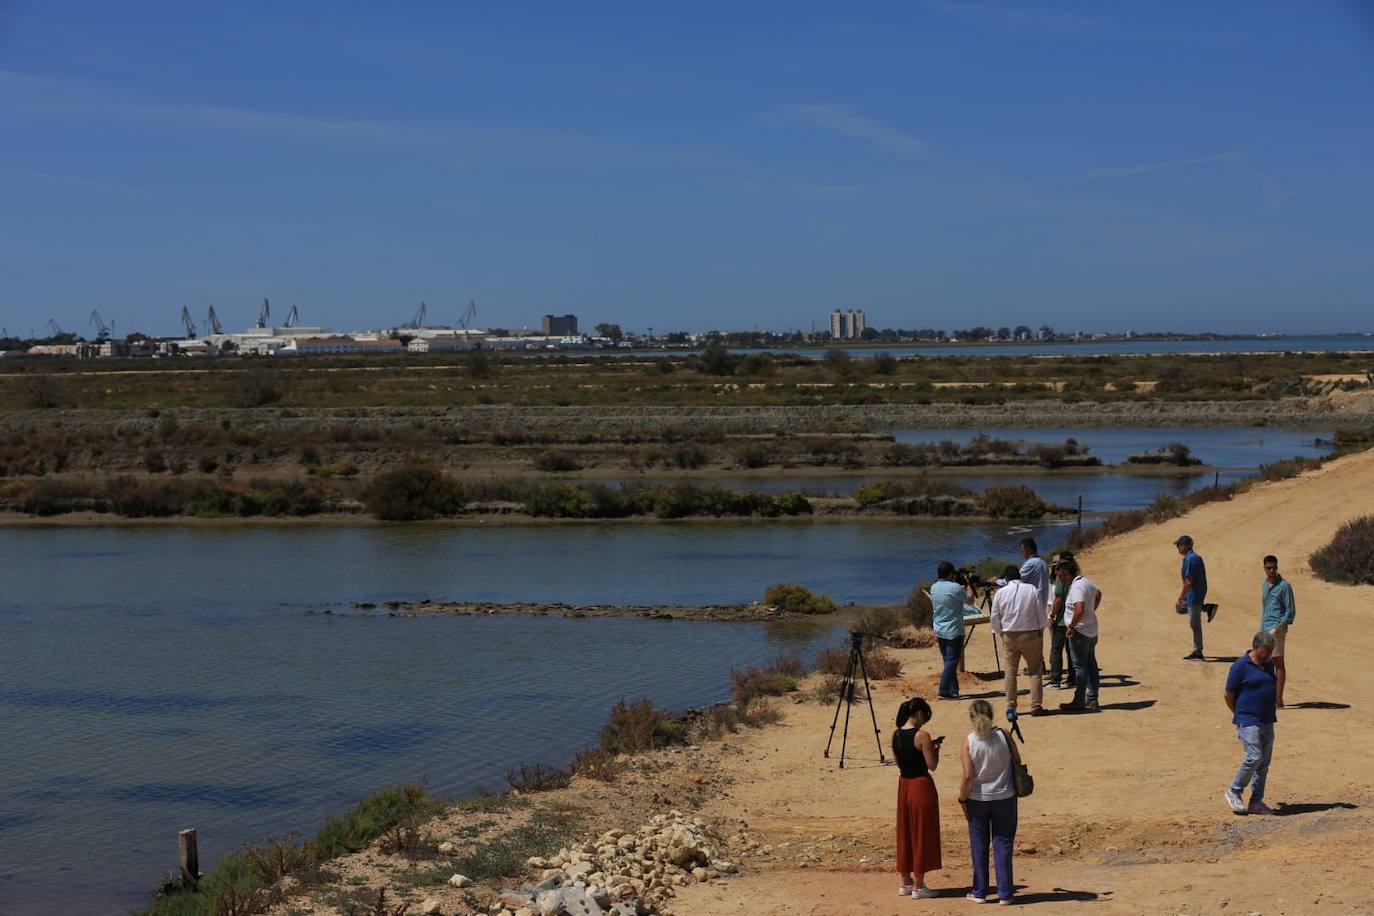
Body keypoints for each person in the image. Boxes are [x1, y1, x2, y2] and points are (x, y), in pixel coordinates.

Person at [959, 699, 1019, 905]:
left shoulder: (968, 741)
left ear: (971, 717)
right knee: (1003, 844)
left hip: (978, 799)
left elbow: (968, 776)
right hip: (1005, 797)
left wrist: (962, 799)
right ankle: (1005, 893)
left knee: (979, 845)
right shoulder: (1003, 735)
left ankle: (980, 891)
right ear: (991, 715)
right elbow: (1017, 759)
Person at [1224, 631, 1279, 815]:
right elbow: (1228, 694)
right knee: (1254, 757)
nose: (1269, 654)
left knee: (1263, 763)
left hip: (1267, 719)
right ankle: (1234, 790)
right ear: (1255, 647)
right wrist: (1240, 715)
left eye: (1270, 651)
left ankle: (1256, 802)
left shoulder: (1268, 665)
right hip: (1248, 720)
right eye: (1266, 651)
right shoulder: (1240, 666)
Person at [893, 697, 944, 898]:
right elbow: (932, 765)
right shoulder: (922, 736)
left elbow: (899, 762)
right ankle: (919, 886)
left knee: (905, 832)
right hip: (920, 785)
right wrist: (935, 750)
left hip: (903, 785)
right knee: (921, 831)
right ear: (919, 714)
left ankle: (905, 882)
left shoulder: (896, 735)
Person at [989, 565, 1049, 717]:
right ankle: (1036, 706)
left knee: (1010, 671)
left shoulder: (1000, 593)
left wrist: (1000, 633)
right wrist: (1041, 629)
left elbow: (994, 617)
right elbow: (1040, 612)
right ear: (1019, 577)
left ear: (1007, 578)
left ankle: (1011, 707)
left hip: (1010, 635)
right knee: (1035, 671)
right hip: (1030, 634)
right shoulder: (1031, 589)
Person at [1057, 560, 1103, 713]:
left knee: (1080, 666)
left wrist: (1072, 626)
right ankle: (1092, 697)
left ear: (1067, 575)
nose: (1059, 579)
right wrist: (1092, 611)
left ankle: (1079, 700)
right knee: (1091, 663)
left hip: (1080, 632)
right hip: (1091, 629)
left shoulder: (1076, 587)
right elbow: (1098, 594)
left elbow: (1080, 608)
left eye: (1060, 576)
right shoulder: (1086, 582)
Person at [931, 561, 977, 700]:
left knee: (948, 661)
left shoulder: (934, 587)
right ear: (951, 574)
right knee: (952, 661)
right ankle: (943, 690)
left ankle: (953, 690)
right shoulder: (955, 587)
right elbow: (970, 601)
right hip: (954, 629)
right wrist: (968, 584)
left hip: (939, 628)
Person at [1259, 555, 1296, 708]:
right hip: (1265, 628)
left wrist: (1279, 627)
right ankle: (1270, 696)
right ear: (1264, 568)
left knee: (1278, 663)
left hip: (1277, 630)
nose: (1272, 570)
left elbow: (1290, 610)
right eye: (1269, 568)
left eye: (1274, 567)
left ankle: (1278, 699)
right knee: (1264, 662)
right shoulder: (1264, 584)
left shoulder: (1284, 586)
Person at [1175, 535, 1211, 660]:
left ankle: (1198, 652)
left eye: (1178, 545)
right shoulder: (1194, 557)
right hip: (1198, 593)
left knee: (1194, 623)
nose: (1177, 548)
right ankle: (1207, 607)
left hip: (1194, 595)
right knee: (1191, 617)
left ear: (1184, 546)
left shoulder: (1190, 559)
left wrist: (1181, 598)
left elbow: (1188, 581)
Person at [1046, 552, 1076, 690]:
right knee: (1071, 650)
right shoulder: (1076, 577)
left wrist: (1052, 615)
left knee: (1056, 650)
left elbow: (1058, 599)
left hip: (1062, 620)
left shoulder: (1061, 577)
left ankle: (1055, 680)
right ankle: (1072, 678)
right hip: (1073, 620)